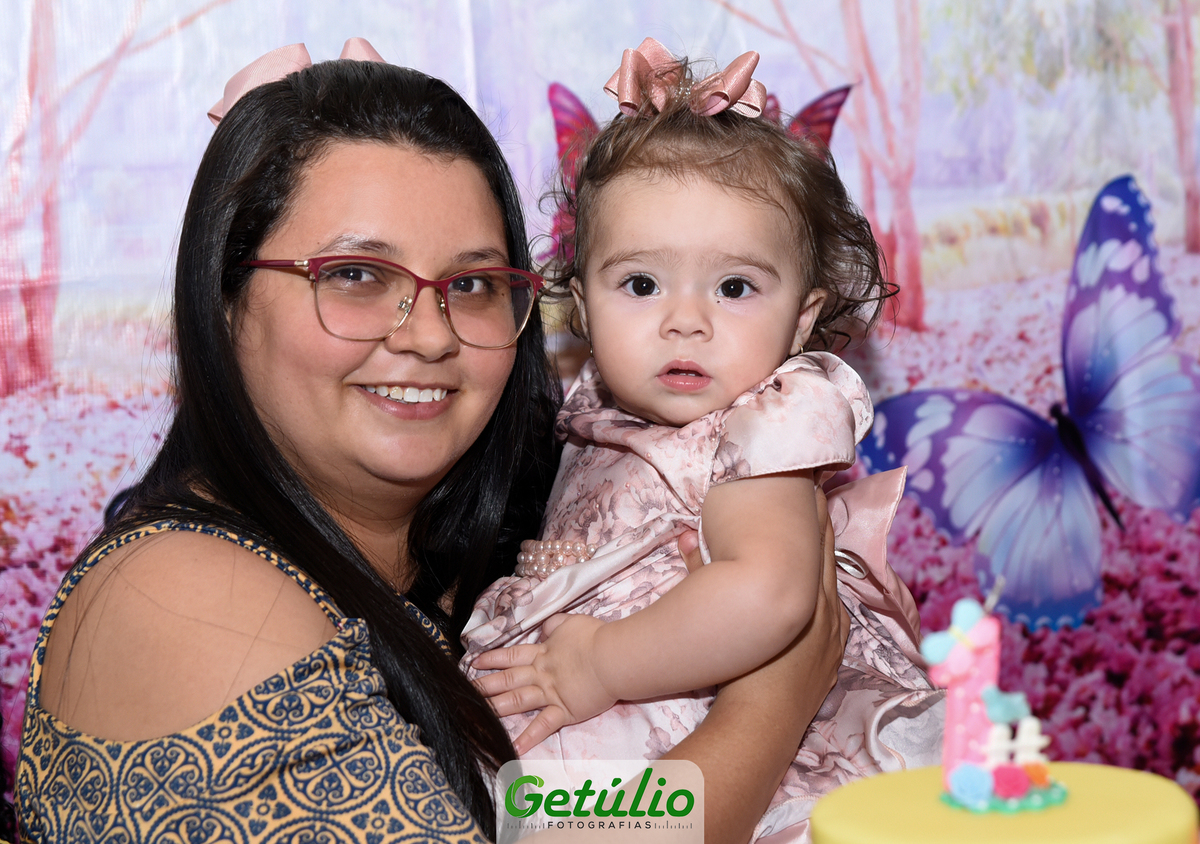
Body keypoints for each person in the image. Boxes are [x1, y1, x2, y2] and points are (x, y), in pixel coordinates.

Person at [15, 40, 848, 844]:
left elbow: (549, 824)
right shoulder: (189, 597)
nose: (428, 335)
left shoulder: (495, 561)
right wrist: (770, 705)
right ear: (226, 298)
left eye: (472, 283)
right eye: (354, 275)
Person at [463, 39, 943, 843]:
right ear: (583, 305)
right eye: (641, 284)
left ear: (802, 317)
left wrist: (601, 663)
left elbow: (770, 594)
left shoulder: (763, 425)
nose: (685, 320)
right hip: (590, 712)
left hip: (697, 715)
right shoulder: (596, 410)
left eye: (734, 287)